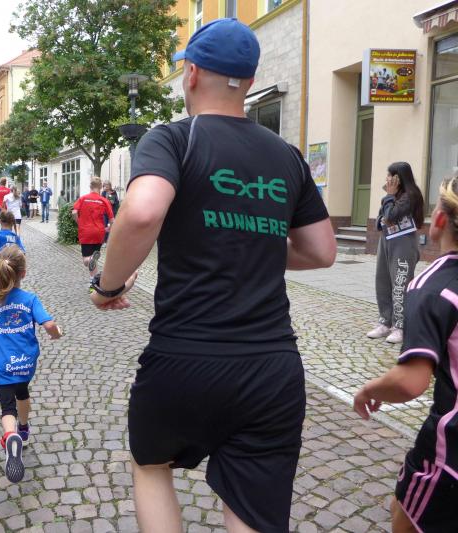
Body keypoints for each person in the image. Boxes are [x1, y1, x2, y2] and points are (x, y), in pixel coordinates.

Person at [89, 19, 336, 533]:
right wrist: (253, 239)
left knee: (151, 465)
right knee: (253, 511)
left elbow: (142, 212)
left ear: (193, 73)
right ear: (249, 82)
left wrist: (107, 285)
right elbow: (320, 251)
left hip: (185, 357)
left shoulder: (174, 138)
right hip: (271, 368)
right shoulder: (287, 156)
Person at [353, 175, 458, 533]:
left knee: (405, 513)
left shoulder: (434, 287)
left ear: (439, 219)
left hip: (450, 451)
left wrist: (369, 389)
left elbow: (410, 382)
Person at [0, 245, 62, 482]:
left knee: (7, 408)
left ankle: (10, 435)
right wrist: (56, 333)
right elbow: (48, 325)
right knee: (22, 392)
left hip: (3, 365)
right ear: (23, 273)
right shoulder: (29, 299)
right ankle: (23, 428)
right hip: (25, 363)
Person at [367, 162, 425, 344]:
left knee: (400, 283)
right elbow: (382, 218)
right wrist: (385, 210)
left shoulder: (410, 196)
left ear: (398, 178)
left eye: (389, 175)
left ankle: (400, 326)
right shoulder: (391, 196)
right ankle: (385, 321)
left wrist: (389, 198)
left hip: (404, 243)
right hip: (387, 240)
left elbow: (391, 215)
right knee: (383, 281)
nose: (387, 179)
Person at [72, 177, 114, 282]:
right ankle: (93, 280)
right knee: (93, 259)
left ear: (90, 186)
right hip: (99, 232)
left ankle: (91, 262)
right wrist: (109, 228)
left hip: (85, 232)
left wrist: (79, 223)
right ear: (100, 187)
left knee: (86, 260)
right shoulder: (104, 200)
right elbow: (112, 219)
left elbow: (74, 212)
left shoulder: (83, 198)